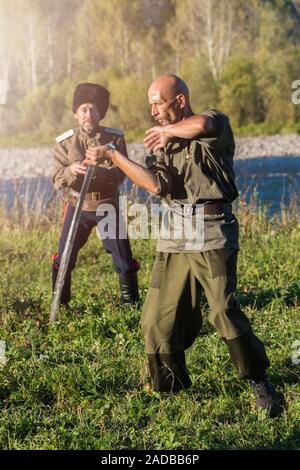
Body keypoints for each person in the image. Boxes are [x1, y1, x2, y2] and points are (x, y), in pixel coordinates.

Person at [85, 74, 280, 417]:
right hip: (175, 231)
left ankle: (258, 380)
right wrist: (115, 156)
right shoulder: (163, 144)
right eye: (150, 104)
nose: (153, 111)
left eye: (158, 102)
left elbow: (201, 123)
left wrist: (168, 132)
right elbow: (157, 186)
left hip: (212, 229)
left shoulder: (214, 122)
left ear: (179, 100)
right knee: (155, 319)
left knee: (223, 311)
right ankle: (170, 389)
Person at [52, 82, 139, 305]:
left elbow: (121, 174)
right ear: (75, 114)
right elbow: (56, 179)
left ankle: (131, 306)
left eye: (93, 109)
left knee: (123, 257)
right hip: (77, 207)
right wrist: (71, 170)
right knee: (64, 258)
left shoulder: (115, 139)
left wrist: (100, 167)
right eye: (83, 109)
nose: (88, 114)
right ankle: (60, 305)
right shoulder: (64, 142)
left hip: (107, 205)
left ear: (100, 113)